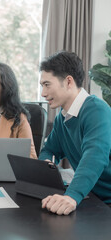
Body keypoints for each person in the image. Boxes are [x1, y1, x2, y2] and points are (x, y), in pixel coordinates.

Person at [39, 51, 111, 215]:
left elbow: (95, 157)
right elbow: (50, 150)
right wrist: (46, 165)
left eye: (47, 84)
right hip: (92, 197)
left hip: (106, 202)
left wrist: (72, 196)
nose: (43, 93)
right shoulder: (62, 118)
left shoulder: (96, 110)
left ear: (68, 81)